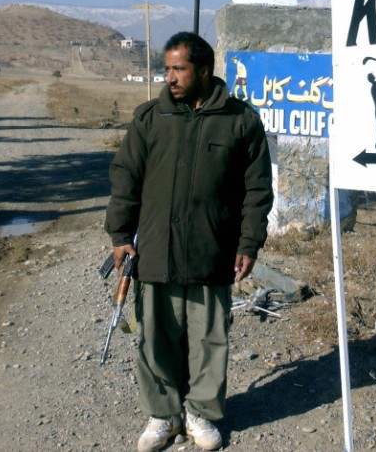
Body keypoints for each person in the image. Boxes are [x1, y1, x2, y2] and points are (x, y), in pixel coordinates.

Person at [104, 32, 274, 452]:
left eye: (178, 69)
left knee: (209, 338)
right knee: (154, 338)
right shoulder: (150, 118)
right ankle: (163, 415)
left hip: (211, 250)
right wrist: (120, 235)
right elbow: (126, 180)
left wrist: (248, 243)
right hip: (156, 250)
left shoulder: (240, 121)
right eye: (167, 69)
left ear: (203, 70)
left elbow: (257, 191)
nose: (170, 78)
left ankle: (200, 414)